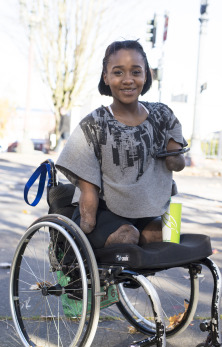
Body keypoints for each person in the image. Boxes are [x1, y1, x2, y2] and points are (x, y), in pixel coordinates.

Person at [56, 40, 187, 249]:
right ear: (105, 77)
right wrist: (86, 227)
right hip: (104, 213)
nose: (128, 80)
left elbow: (177, 160)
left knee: (172, 233)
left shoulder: (163, 115)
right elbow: (88, 191)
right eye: (118, 73)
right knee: (128, 236)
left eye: (136, 72)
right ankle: (80, 252)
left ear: (146, 75)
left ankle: (135, 265)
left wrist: (176, 158)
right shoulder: (94, 124)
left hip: (149, 209)